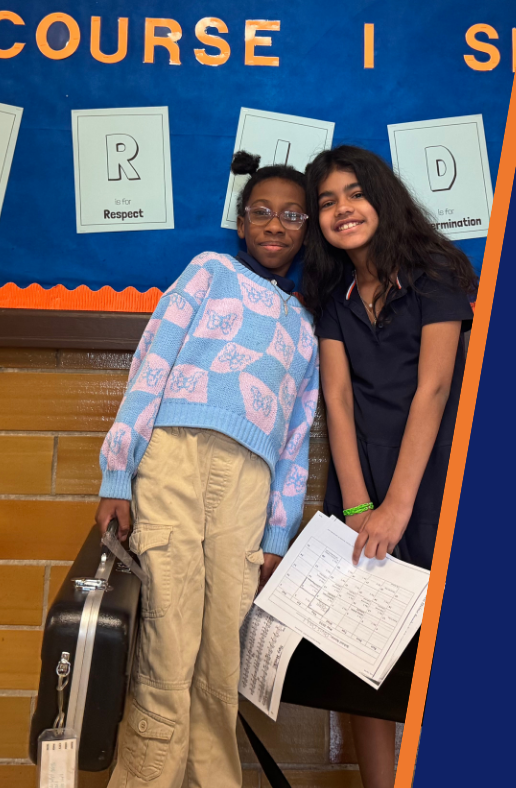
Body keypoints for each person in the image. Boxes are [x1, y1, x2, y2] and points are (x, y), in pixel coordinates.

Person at [95, 152, 319, 788]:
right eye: (262, 212)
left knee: (222, 655)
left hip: (249, 486)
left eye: (292, 215)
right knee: (168, 642)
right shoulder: (208, 271)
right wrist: (118, 473)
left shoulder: (305, 326)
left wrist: (277, 538)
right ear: (241, 222)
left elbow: (297, 441)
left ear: (306, 230)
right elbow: (151, 366)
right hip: (174, 458)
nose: (276, 225)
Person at [297, 145, 476, 788]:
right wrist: (356, 507)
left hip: (432, 481)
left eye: (354, 193)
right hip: (356, 484)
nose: (342, 209)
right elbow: (337, 400)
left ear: (382, 196)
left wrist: (398, 506)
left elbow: (433, 390)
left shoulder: (438, 274)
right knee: (357, 649)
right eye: (326, 202)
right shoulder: (331, 293)